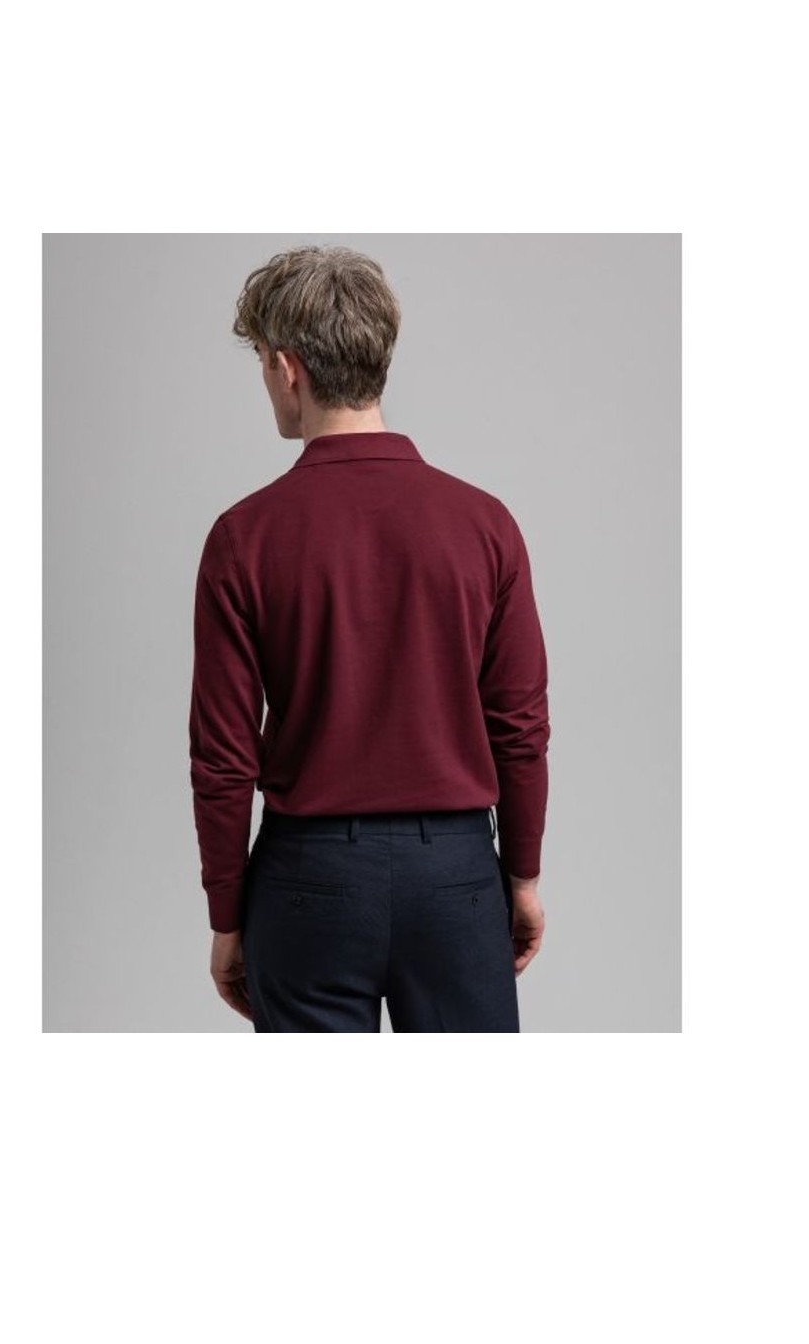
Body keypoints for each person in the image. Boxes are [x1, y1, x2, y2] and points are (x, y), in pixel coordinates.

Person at [188, 244, 550, 1031]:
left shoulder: (244, 538)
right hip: (457, 876)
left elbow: (223, 757)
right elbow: (519, 725)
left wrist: (227, 914)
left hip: (307, 882)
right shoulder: (485, 525)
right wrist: (520, 876)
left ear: (287, 368)